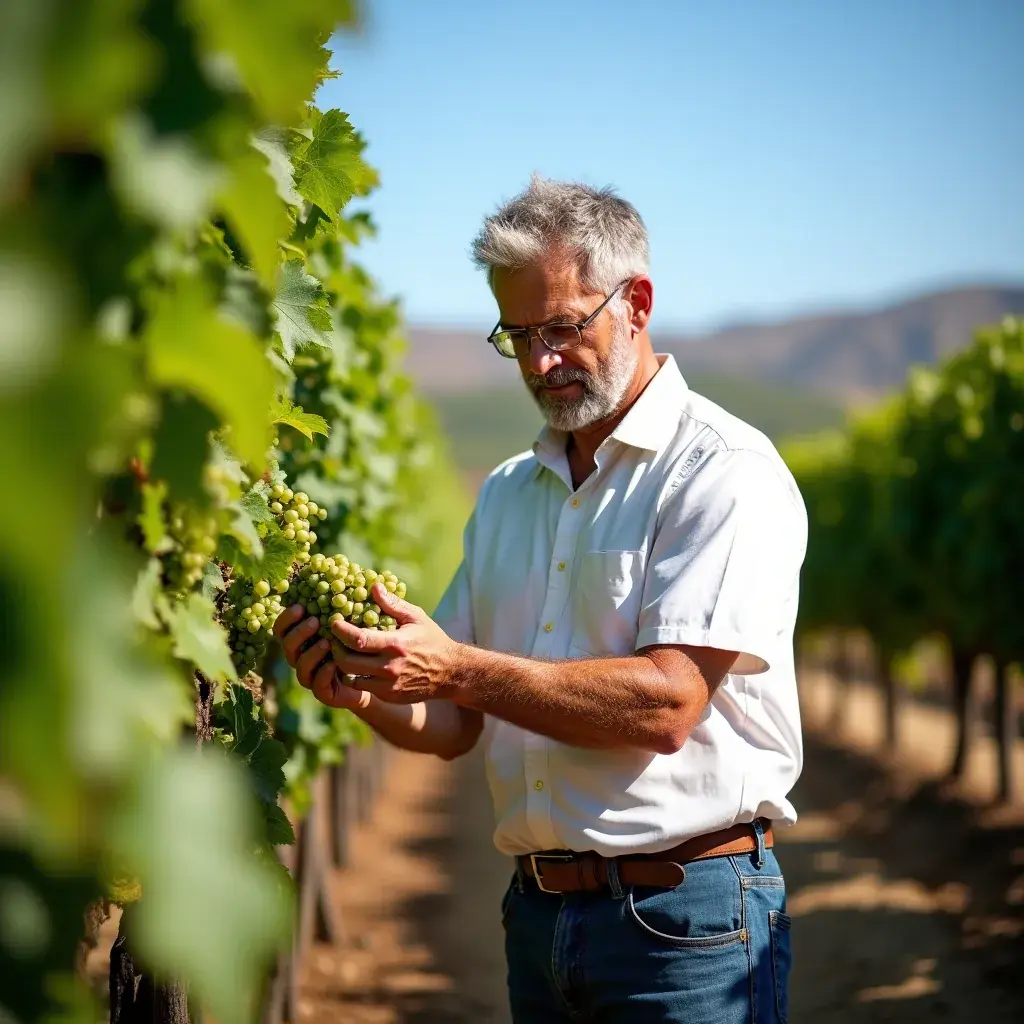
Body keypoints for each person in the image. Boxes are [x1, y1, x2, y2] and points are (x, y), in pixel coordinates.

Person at [274, 176, 808, 1023]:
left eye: (561, 328)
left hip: (686, 927)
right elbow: (451, 721)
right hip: (536, 920)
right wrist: (363, 689)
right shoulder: (508, 493)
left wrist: (457, 669)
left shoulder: (722, 471)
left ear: (636, 302)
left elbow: (668, 703)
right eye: (516, 336)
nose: (538, 363)